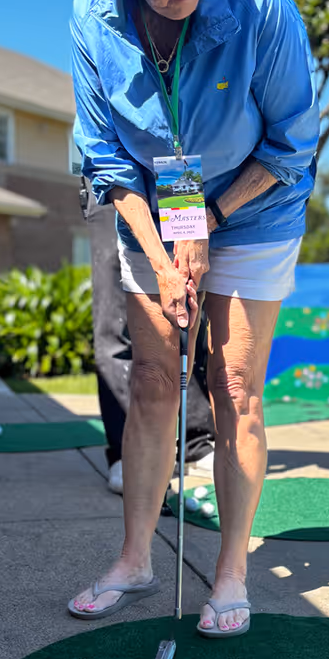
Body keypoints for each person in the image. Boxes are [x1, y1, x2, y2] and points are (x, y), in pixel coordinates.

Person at [67, 0, 319, 636]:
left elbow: (291, 147)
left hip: (256, 204)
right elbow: (106, 162)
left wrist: (208, 218)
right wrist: (163, 249)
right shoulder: (90, 21)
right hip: (155, 211)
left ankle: (232, 573)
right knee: (151, 382)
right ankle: (136, 562)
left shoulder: (257, 3)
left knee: (235, 388)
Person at [80, 174, 216, 496]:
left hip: (174, 172)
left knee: (189, 309)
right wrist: (158, 261)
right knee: (117, 313)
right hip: (115, 176)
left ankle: (195, 440)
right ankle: (129, 450)